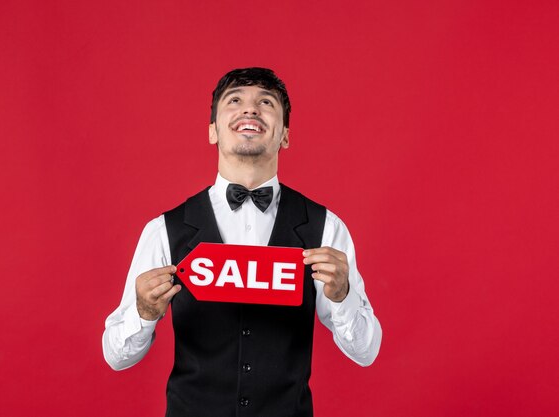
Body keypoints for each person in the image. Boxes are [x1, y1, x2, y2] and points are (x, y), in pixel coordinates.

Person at [102, 67, 382, 417]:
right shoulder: (165, 230)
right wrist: (143, 313)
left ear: (285, 136)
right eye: (235, 101)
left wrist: (343, 296)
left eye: (266, 103)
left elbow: (366, 351)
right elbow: (116, 357)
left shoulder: (326, 228)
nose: (250, 109)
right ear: (212, 131)